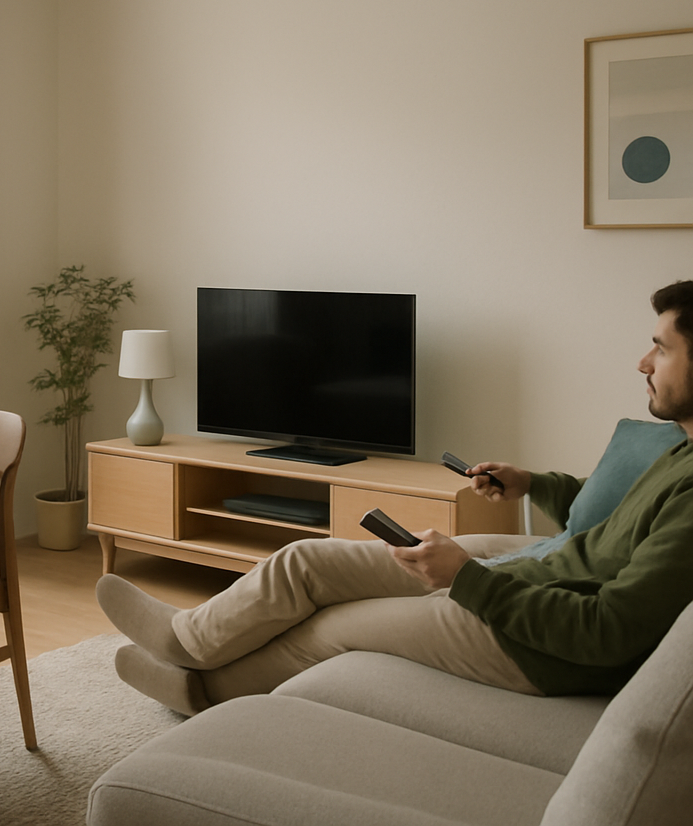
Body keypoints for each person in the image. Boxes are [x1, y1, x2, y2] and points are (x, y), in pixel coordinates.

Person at [97, 280, 693, 717]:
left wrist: (469, 577)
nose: (642, 363)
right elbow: (618, 522)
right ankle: (189, 639)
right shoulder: (682, 447)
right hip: (536, 576)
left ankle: (200, 691)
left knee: (329, 629)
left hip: (538, 645)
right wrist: (536, 484)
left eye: (661, 349)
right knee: (305, 560)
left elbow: (608, 632)